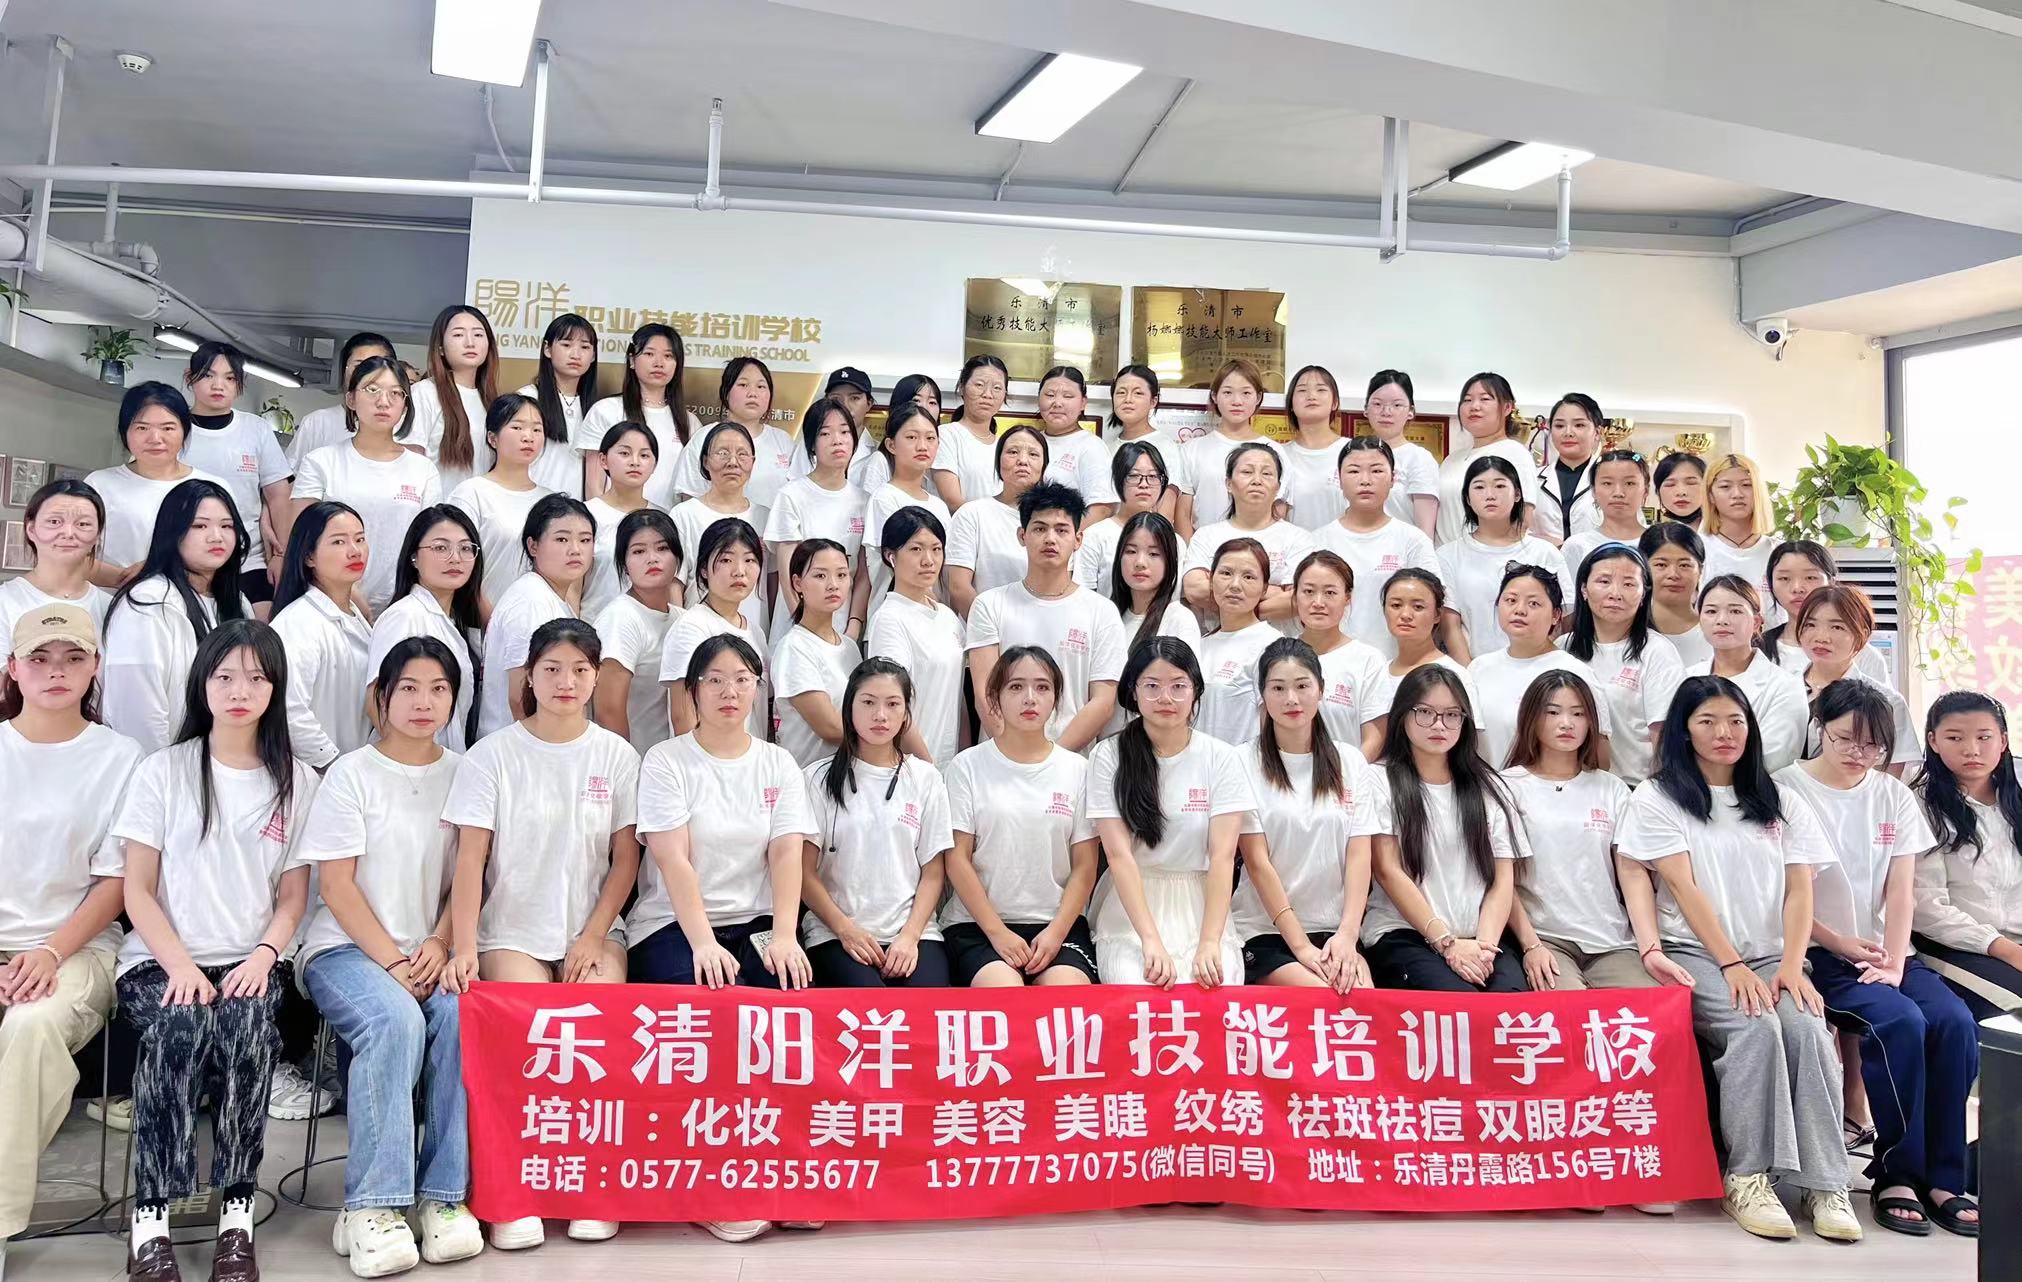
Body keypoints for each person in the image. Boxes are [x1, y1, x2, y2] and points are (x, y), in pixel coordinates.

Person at [113, 620, 320, 1281]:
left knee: (248, 1027)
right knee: (180, 1025)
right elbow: (137, 890)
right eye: (225, 676)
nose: (239, 690)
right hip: (157, 961)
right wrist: (179, 966)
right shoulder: (163, 770)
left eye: (256, 678)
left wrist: (263, 956)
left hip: (250, 958)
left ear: (275, 689)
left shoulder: (298, 781)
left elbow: (293, 898)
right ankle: (152, 1221)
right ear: (202, 683)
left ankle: (237, 1214)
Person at [1618, 675, 1858, 1242]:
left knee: (1807, 1030)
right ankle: (1747, 1177)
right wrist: (1730, 965)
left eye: (1735, 721)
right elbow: (1683, 887)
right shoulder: (1657, 797)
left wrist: (1793, 965)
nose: (1724, 733)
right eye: (1707, 721)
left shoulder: (1780, 799)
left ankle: (1827, 1183)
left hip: (1775, 954)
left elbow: (1799, 890)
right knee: (1755, 1028)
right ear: (1684, 731)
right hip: (1698, 952)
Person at [442, 618, 638, 1250]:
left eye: (580, 670)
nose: (565, 681)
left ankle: (591, 1186)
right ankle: (514, 1194)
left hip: (593, 929)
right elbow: (471, 860)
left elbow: (626, 861)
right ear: (529, 675)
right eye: (551, 669)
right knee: (523, 1046)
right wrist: (464, 947)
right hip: (512, 931)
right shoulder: (493, 754)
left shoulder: (616, 755)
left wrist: (594, 936)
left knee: (598, 1043)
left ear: (596, 677)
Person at [297, 639, 483, 1276]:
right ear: (380, 696)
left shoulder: (466, 773)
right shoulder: (352, 773)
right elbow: (336, 886)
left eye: (438, 689)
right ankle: (372, 1205)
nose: (423, 702)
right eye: (408, 688)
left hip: (430, 951)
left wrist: (440, 942)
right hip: (346, 950)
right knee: (395, 1020)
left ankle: (443, 1196)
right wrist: (395, 964)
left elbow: (470, 875)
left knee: (461, 1016)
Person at [1785, 680, 1978, 1238]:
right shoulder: (1784, 789)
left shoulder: (1892, 794)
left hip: (1887, 951)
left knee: (1954, 1022)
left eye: (1873, 746)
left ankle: (1944, 1179)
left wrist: (1895, 962)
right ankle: (1896, 1174)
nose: (1858, 754)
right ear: (1821, 729)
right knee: (1899, 1022)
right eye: (1846, 738)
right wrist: (1838, 943)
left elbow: (1901, 888)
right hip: (1817, 952)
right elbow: (1781, 892)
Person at [0, 606, 142, 1268]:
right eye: (39, 658)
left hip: (78, 948)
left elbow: (118, 881)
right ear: (12, 669)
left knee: (31, 1027)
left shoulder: (120, 758)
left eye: (73, 658)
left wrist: (51, 951)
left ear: (95, 668)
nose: (56, 671)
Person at [1500, 671, 1684, 993]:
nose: (1566, 723)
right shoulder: (1506, 786)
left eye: (1578, 713)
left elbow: (1631, 873)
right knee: (1572, 1012)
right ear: (1531, 718)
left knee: (1649, 1008)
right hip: (1547, 939)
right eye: (1553, 712)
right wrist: (1531, 946)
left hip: (1612, 941)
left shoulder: (1612, 788)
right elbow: (1501, 879)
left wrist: (1650, 949)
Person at [1089, 639, 1253, 988]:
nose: (1166, 698)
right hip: (1132, 908)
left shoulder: (1222, 758)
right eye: (1152, 686)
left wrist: (1209, 941)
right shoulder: (1108, 755)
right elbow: (1118, 856)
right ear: (1133, 692)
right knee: (1137, 988)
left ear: (1196, 692)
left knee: (1219, 987)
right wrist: (1150, 941)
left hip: (1203, 903)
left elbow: (1223, 857)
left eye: (1179, 686)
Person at [942, 647, 1101, 986]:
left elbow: (1085, 866)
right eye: (1016, 687)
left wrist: (1056, 934)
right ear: (994, 697)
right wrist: (998, 933)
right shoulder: (967, 766)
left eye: (1042, 687)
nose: (1030, 698)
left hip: (1057, 925)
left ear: (1056, 698)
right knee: (1003, 992)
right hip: (978, 925)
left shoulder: (1078, 770)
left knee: (1065, 994)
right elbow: (956, 859)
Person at [1361, 665, 1525, 991]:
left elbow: (1502, 878)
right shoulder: (1378, 780)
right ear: (1402, 716)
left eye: (1452, 715)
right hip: (1406, 934)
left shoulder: (1488, 786)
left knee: (1511, 1005)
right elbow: (1387, 870)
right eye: (1425, 712)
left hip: (1480, 937)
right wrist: (1447, 944)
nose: (1439, 725)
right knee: (1459, 1004)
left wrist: (1485, 948)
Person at [1230, 638, 1377, 990]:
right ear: (1262, 695)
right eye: (1278, 688)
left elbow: (1359, 856)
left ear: (1321, 689)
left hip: (1335, 932)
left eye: (1302, 686)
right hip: (1265, 930)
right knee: (1324, 996)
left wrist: (1347, 936)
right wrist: (1301, 948)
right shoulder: (1241, 761)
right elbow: (1257, 862)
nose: (1291, 699)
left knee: (1363, 1000)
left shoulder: (1350, 761)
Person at [801, 658, 954, 987]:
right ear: (849, 708)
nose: (880, 715)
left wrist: (910, 937)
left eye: (892, 704)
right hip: (834, 933)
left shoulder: (926, 779)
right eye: (868, 703)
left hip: (914, 933)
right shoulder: (816, 778)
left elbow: (933, 871)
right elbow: (803, 872)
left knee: (925, 1007)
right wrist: (845, 929)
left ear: (906, 714)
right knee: (870, 1003)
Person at [965, 483, 1125, 753]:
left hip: (1072, 763)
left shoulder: (1102, 611)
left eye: (1061, 530)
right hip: (1000, 760)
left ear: (1078, 539)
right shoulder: (989, 605)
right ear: (1022, 535)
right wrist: (1016, 755)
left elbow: (1102, 702)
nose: (1051, 538)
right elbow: (985, 693)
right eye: (1040, 529)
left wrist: (1053, 762)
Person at [101, 480, 252, 752]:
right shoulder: (148, 602)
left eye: (227, 526)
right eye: (199, 526)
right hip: (164, 764)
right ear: (173, 533)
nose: (216, 536)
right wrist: (166, 770)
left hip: (221, 759)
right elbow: (138, 712)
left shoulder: (237, 603)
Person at [291, 354, 443, 613]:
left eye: (395, 393)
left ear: (405, 405)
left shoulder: (423, 470)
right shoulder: (321, 462)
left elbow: (430, 544)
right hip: (330, 604)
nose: (384, 401)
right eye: (372, 390)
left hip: (403, 606)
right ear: (351, 399)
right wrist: (349, 596)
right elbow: (301, 540)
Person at [1912, 691, 2022, 1019]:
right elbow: (1925, 907)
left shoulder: (2015, 802)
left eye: (1984, 737)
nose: (1971, 749)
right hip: (1955, 946)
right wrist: (2005, 949)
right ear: (1933, 741)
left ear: (2003, 741)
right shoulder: (1919, 805)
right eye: (1955, 738)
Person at [178, 342, 293, 613]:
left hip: (248, 559)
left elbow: (279, 497)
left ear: (240, 385)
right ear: (189, 377)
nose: (219, 385)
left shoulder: (256, 429)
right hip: (186, 560)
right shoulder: (175, 429)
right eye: (208, 375)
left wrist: (282, 555)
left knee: (260, 631)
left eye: (229, 378)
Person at [1561, 543, 1686, 785]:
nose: (1615, 593)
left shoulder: (1657, 652)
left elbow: (1666, 740)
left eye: (1629, 584)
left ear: (1643, 595)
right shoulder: (1563, 649)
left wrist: (1655, 795)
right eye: (1604, 581)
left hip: (1637, 787)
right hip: (1573, 787)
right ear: (1584, 589)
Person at [1469, 564, 1612, 768]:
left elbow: (1599, 758)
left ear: (1556, 615)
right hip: (1485, 785)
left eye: (1534, 603)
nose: (1520, 610)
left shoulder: (1575, 673)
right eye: (1511, 600)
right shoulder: (1479, 668)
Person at [84, 383, 227, 585]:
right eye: (142, 428)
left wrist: (156, 573)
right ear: (125, 432)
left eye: (168, 428)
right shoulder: (99, 484)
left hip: (188, 599)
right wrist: (133, 582)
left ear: (185, 431)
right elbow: (74, 555)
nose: (155, 438)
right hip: (111, 598)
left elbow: (227, 559)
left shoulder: (212, 488)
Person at [1310, 437, 1440, 659]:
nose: (1365, 480)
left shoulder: (1413, 540)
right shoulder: (1318, 541)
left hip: (1395, 663)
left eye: (1377, 471)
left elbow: (1433, 605)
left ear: (1393, 479)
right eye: (1354, 471)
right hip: (1330, 661)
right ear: (1339, 479)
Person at [367, 507, 484, 751]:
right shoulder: (404, 616)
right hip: (409, 763)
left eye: (465, 548)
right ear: (414, 557)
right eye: (440, 548)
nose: (455, 558)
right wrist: (414, 762)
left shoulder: (457, 620)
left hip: (445, 761)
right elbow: (376, 701)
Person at [477, 494, 593, 738]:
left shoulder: (547, 596)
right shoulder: (531, 601)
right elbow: (520, 697)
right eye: (562, 539)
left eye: (585, 540)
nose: (575, 550)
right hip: (520, 748)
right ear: (533, 546)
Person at [268, 502, 374, 769]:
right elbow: (289, 711)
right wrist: (333, 765)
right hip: (320, 775)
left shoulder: (355, 616)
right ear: (309, 557)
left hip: (354, 770)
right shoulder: (297, 623)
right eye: (339, 542)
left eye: (360, 539)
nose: (354, 550)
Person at [1435, 454, 1569, 656]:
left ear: (1517, 494)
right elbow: (1450, 625)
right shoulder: (1448, 555)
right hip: (1474, 666)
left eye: (1499, 486)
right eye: (1479, 487)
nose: (1490, 495)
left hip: (1538, 665)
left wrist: (1537, 662)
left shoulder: (1544, 552)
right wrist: (1469, 671)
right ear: (1467, 499)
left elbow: (1564, 619)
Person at [765, 396, 870, 643]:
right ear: (812, 444)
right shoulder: (792, 495)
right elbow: (787, 573)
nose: (837, 440)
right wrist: (806, 626)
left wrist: (854, 626)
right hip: (797, 628)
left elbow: (863, 573)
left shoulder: (865, 501)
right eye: (825, 433)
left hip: (843, 630)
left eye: (844, 432)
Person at [864, 507, 964, 763]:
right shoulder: (889, 619)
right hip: (911, 766)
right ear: (891, 556)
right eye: (916, 549)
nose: (928, 560)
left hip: (948, 763)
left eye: (936, 549)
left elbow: (958, 696)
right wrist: (927, 768)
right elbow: (892, 705)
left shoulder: (948, 617)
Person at [1685, 575, 1809, 772]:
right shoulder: (1686, 678)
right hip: (1687, 786)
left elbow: (1776, 759)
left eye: (1735, 611)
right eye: (1711, 611)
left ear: (1757, 622)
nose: (1722, 620)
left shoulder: (1785, 686)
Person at [660, 518, 770, 739]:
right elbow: (684, 718)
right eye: (726, 560)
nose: (739, 571)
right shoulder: (692, 628)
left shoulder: (755, 632)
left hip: (750, 755)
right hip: (707, 757)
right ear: (703, 570)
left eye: (749, 560)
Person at [1182, 442, 1312, 627]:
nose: (1257, 480)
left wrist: (1232, 602)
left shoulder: (1299, 539)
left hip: (1280, 643)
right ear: (1228, 483)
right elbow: (1195, 589)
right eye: (1247, 472)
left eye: (1267, 473)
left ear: (1278, 487)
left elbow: (1298, 599)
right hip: (1220, 640)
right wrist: (1273, 591)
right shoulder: (1206, 536)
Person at [1790, 585, 1917, 773]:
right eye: (1810, 625)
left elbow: (1888, 779)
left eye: (1837, 627)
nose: (1821, 637)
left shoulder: (1888, 702)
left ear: (1862, 635)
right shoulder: (1780, 688)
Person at [445, 393, 554, 612]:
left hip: (539, 620)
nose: (528, 437)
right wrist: (492, 621)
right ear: (492, 438)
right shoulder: (471, 493)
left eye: (537, 429)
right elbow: (459, 563)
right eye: (517, 427)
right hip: (480, 621)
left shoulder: (551, 501)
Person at [591, 509, 682, 755]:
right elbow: (608, 711)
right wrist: (626, 767)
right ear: (624, 565)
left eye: (662, 548)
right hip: (633, 760)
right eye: (639, 551)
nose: (652, 559)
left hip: (669, 763)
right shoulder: (620, 617)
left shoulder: (681, 619)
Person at [669, 422, 771, 636]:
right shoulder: (684, 514)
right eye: (722, 453)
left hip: (752, 633)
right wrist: (680, 631)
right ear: (705, 461)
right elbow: (674, 583)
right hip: (701, 635)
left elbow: (772, 582)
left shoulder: (766, 517)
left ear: (753, 462)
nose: (733, 462)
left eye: (742, 454)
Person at [579, 323, 695, 505]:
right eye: (649, 354)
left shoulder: (689, 422)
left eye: (668, 356)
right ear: (632, 360)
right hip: (614, 519)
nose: (659, 363)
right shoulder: (606, 410)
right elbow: (593, 485)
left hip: (667, 520)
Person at [772, 540, 861, 769]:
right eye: (820, 576)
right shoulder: (794, 647)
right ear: (797, 583)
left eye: (841, 575)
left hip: (848, 774)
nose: (833, 585)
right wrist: (883, 742)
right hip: (808, 778)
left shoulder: (850, 648)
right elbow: (830, 728)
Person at [1290, 551, 1388, 760]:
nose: (1318, 602)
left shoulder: (1368, 660)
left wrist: (1346, 775)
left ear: (1347, 598)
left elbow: (1375, 738)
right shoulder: (1279, 655)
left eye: (1330, 593)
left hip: (1347, 776)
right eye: (1308, 591)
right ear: (1295, 595)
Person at [948, 424, 1049, 617]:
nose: (1022, 461)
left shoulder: (1055, 520)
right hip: (984, 629)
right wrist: (990, 630)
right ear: (998, 461)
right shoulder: (972, 514)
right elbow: (959, 587)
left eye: (1033, 454)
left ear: (1044, 466)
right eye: (1013, 452)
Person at [1762, 540, 1895, 687]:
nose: (1797, 588)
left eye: (1810, 577)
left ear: (1831, 581)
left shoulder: (1864, 655)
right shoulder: (1758, 650)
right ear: (1771, 584)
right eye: (1784, 578)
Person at [673, 358, 797, 513]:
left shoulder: (783, 441)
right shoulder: (704, 438)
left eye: (761, 386)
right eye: (743, 385)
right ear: (726, 392)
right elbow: (689, 497)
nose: (753, 394)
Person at [0, 479, 111, 649]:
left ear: (97, 536)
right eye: (54, 522)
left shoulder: (113, 608)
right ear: (31, 530)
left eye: (83, 524)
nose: (68, 533)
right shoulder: (5, 601)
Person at [1434, 372, 1538, 545]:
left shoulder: (1515, 453)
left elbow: (1523, 519)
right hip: (1447, 556)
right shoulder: (1451, 460)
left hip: (1490, 556)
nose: (1474, 406)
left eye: (1485, 399)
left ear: (1507, 407)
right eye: (1467, 400)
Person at [1176, 359, 1274, 538]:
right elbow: (1183, 513)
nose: (1237, 401)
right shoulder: (1192, 449)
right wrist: (1191, 551)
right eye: (1228, 392)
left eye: (1246, 393)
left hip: (1258, 550)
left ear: (1258, 397)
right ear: (1214, 396)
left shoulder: (1273, 451)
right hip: (1205, 551)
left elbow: (1278, 512)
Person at [864, 403, 952, 602]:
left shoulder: (939, 506)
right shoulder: (884, 498)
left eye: (930, 438)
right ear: (891, 445)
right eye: (912, 437)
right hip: (896, 610)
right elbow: (898, 570)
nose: (922, 446)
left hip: (934, 612)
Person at [409, 305, 500, 493]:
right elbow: (410, 464)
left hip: (479, 507)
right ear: (441, 348)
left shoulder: (492, 402)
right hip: (437, 508)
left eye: (478, 334)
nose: (470, 343)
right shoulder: (425, 393)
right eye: (458, 335)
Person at [581, 420, 662, 619]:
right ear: (603, 460)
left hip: (648, 629)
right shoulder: (585, 515)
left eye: (644, 455)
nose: (635, 462)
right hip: (593, 625)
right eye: (625, 453)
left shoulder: (664, 519)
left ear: (654, 465)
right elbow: (572, 586)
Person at [513, 312, 599, 498]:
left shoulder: (597, 409)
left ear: (593, 356)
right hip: (531, 504)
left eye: (585, 347)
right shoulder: (527, 399)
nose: (576, 354)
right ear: (547, 349)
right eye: (566, 345)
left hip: (575, 509)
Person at [1076, 441, 1172, 595]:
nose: (1144, 484)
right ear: (1118, 480)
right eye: (1134, 476)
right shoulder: (1094, 537)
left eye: (1153, 476)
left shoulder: (1173, 539)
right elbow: (1083, 596)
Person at [287, 332, 398, 467]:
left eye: (376, 367)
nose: (367, 376)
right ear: (342, 371)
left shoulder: (405, 427)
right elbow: (292, 474)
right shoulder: (317, 423)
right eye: (359, 367)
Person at [1108, 511, 1202, 662]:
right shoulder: (1108, 615)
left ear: (1169, 561)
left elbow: (1187, 675)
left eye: (1153, 554)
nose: (1140, 562)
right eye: (1131, 551)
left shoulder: (1178, 619)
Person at [1700, 453, 1780, 625]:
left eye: (1747, 485)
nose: (1737, 494)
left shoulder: (1779, 552)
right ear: (1710, 495)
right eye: (1725, 486)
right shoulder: (1697, 549)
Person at [1032, 366, 1118, 523]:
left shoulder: (1091, 446)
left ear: (1083, 403)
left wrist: (1066, 536)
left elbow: (1102, 509)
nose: (1057, 403)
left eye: (1068, 396)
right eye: (1050, 395)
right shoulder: (1030, 441)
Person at [1361, 370, 1439, 537]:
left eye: (1397, 405)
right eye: (1377, 404)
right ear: (1366, 409)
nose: (1386, 412)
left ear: (1411, 411)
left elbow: (1425, 533)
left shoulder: (1419, 459)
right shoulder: (1352, 455)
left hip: (1401, 551)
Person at [930, 355, 1008, 508]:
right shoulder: (945, 435)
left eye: (997, 388)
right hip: (962, 522)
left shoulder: (1004, 445)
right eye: (979, 385)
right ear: (962, 388)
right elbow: (952, 500)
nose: (988, 394)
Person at [1105, 366, 1181, 521]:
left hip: (1146, 533)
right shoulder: (1106, 447)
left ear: (1153, 401)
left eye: (1138, 393)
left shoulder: (1165, 447)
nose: (1128, 399)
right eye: (1121, 392)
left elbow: (1165, 511)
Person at [1558, 449, 1650, 574]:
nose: (1618, 493)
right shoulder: (1576, 546)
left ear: (1645, 491)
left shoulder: (1661, 543)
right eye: (1607, 483)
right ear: (1594, 491)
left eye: (1629, 483)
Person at [1281, 365, 1346, 531]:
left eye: (1321, 390)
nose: (1311, 396)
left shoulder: (1353, 452)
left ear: (1335, 402)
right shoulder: (1279, 455)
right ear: (1291, 404)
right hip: (1296, 546)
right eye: (1302, 390)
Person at [1535, 392, 1606, 544]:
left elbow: (1630, 531)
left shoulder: (1613, 482)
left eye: (1579, 425)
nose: (1568, 433)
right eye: (1559, 426)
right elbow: (1518, 531)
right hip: (1544, 558)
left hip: (1599, 559)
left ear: (1598, 432)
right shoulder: (1532, 480)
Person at [1641, 521, 1713, 666]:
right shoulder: (1623, 631)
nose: (1673, 574)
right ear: (1642, 569)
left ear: (1700, 570)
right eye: (1661, 565)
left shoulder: (1717, 631)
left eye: (1684, 565)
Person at [1653, 452, 1707, 530]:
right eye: (1670, 484)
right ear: (1658, 492)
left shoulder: (1723, 531)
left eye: (1691, 483)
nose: (1681, 492)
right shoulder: (1650, 535)